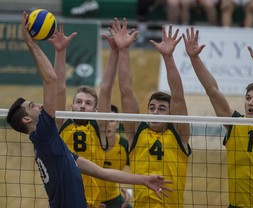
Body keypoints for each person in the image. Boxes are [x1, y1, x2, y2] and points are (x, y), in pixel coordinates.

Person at [6, 11, 173, 208]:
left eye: (87, 103)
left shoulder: (56, 147)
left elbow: (101, 172)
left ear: (95, 110)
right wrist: (32, 43)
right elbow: (53, 83)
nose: (40, 105)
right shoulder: (45, 135)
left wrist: (143, 180)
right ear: (27, 120)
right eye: (33, 106)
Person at [182, 27, 253, 207]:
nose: (250, 103)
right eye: (248, 98)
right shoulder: (234, 123)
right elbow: (212, 91)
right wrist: (194, 58)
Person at [111, 17, 191, 207]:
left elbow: (178, 97)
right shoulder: (136, 132)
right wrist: (123, 50)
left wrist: (168, 57)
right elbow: (126, 91)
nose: (154, 112)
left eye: (162, 109)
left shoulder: (179, 134)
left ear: (171, 114)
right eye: (152, 108)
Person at [51, 21, 126, 207]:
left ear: (96, 110)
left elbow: (106, 89)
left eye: (88, 103)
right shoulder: (62, 123)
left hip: (91, 202)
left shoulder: (99, 127)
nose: (83, 106)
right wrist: (60, 52)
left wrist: (115, 51)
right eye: (79, 102)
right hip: (64, 199)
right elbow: (59, 87)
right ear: (71, 107)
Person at [98, 104, 132, 208]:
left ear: (118, 124)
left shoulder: (125, 146)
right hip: (86, 197)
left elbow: (142, 172)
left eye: (112, 120)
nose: (107, 124)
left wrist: (130, 192)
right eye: (104, 120)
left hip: (113, 198)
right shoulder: (88, 143)